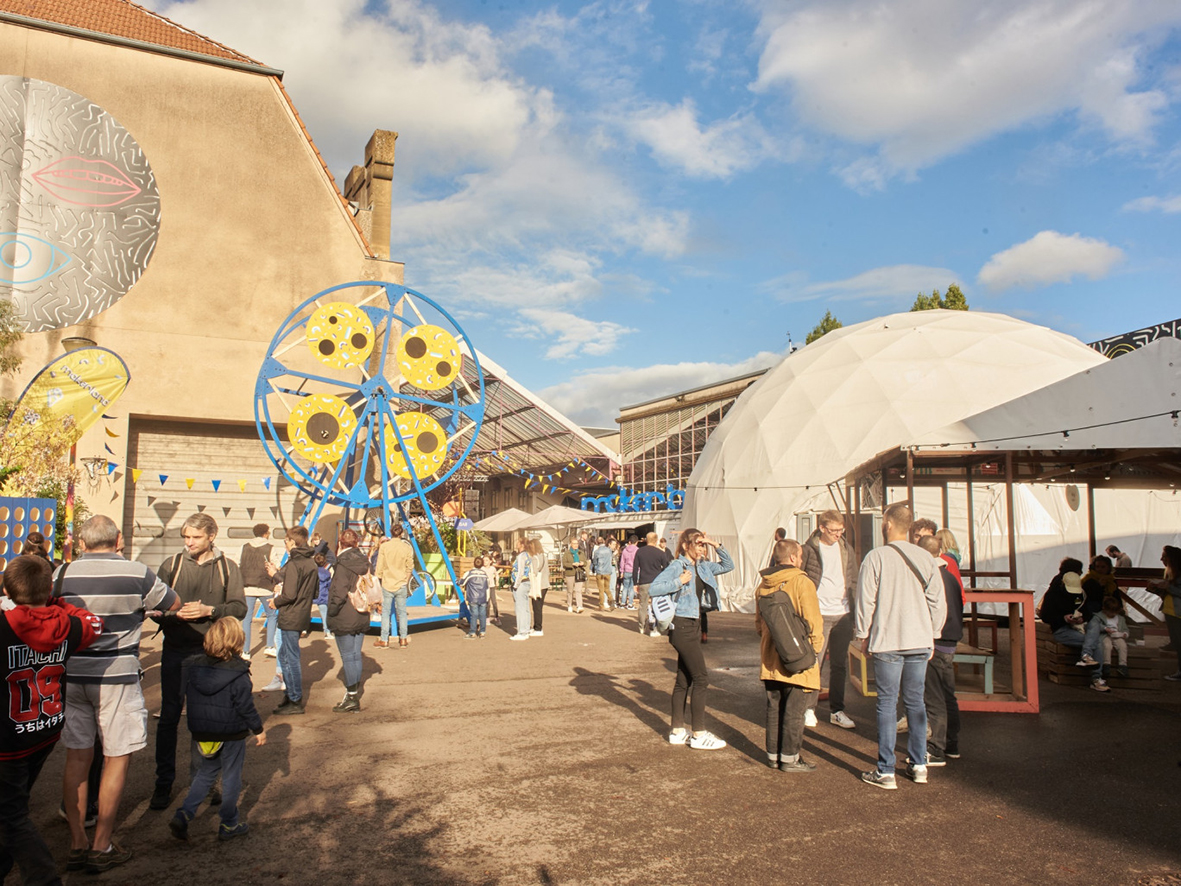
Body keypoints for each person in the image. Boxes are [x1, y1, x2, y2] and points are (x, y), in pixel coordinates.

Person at [54, 515, 180, 870]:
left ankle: (78, 841)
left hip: (73, 674)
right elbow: (173, 602)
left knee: (77, 757)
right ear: (119, 541)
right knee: (116, 755)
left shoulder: (61, 575)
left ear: (82, 543)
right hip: (117, 677)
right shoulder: (137, 573)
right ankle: (102, 845)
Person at [2, 555, 101, 882]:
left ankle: (45, 878)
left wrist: (37, 602)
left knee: (11, 816)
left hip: (9, 740)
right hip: (42, 729)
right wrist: (54, 603)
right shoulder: (67, 625)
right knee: (11, 808)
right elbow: (93, 622)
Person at [150, 513, 245, 811]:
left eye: (195, 537)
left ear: (211, 536)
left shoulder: (227, 568)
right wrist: (173, 615)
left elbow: (239, 608)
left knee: (204, 722)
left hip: (211, 655)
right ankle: (162, 784)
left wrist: (211, 610)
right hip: (176, 652)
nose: (189, 543)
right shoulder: (172, 565)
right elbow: (152, 608)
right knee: (168, 718)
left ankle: (201, 783)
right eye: (186, 537)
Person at [855, 503, 946, 790]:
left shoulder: (876, 557)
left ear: (888, 524)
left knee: (886, 703)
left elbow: (865, 600)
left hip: (888, 639)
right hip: (920, 639)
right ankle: (919, 764)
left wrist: (862, 633)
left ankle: (886, 770)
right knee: (915, 702)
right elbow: (937, 601)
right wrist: (933, 633)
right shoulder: (927, 557)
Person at [168, 618, 264, 843]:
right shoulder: (239, 674)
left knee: (205, 773)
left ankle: (184, 813)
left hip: (203, 730)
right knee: (231, 777)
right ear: (238, 640)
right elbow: (245, 706)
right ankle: (229, 822)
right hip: (231, 732)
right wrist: (258, 729)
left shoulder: (194, 667)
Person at [649, 528, 734, 751]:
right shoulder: (678, 565)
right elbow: (654, 588)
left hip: (694, 624)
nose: (701, 548)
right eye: (698, 544)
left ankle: (677, 731)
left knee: (683, 679)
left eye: (702, 544)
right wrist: (678, 581)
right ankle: (698, 733)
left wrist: (715, 543)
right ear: (686, 546)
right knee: (702, 678)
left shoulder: (704, 566)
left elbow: (728, 566)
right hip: (681, 625)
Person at [755, 540, 823, 772]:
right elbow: (813, 618)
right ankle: (790, 758)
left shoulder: (763, 584)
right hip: (797, 655)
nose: (802, 560)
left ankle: (773, 756)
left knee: (774, 707)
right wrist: (815, 647)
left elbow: (758, 622)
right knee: (794, 710)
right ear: (793, 558)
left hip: (770, 655)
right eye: (801, 556)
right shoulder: (802, 582)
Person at [799, 509, 857, 730]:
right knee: (815, 662)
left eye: (841, 530)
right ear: (822, 528)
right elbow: (801, 580)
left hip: (842, 613)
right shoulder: (808, 549)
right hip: (819, 613)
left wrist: (854, 611)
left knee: (840, 664)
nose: (838, 534)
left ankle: (837, 710)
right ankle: (808, 708)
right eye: (833, 530)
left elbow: (853, 579)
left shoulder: (846, 549)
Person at [917, 536, 963, 766]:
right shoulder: (952, 578)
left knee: (934, 697)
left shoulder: (930, 579)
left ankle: (936, 748)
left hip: (936, 640)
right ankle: (952, 744)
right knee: (948, 695)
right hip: (951, 640)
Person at [1038, 559, 1107, 690]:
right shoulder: (1054, 593)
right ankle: (1096, 677)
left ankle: (1086, 657)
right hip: (1062, 629)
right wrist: (1064, 618)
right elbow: (1046, 616)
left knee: (1095, 622)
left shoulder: (1080, 592)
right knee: (1096, 643)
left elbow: (1087, 611)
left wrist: (1082, 617)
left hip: (1078, 626)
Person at [271, 526, 318, 715]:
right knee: (284, 654)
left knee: (290, 657)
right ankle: (290, 694)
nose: (285, 545)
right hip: (301, 612)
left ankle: (295, 699)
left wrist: (276, 601)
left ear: (293, 542)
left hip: (291, 613)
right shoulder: (310, 562)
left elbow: (289, 594)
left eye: (286, 542)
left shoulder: (294, 564)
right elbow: (314, 592)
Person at [325, 529, 372, 712]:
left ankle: (352, 697)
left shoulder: (342, 564)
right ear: (356, 543)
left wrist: (331, 613)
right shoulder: (363, 561)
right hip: (360, 612)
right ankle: (353, 693)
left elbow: (338, 592)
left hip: (345, 614)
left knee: (347, 657)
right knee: (355, 655)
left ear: (340, 543)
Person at [238, 523, 283, 661]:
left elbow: (236, 563)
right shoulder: (270, 548)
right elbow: (276, 565)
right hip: (265, 586)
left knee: (247, 619)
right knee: (271, 616)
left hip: (247, 587)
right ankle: (269, 646)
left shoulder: (243, 547)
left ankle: (245, 651)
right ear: (265, 533)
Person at [373, 526, 415, 649]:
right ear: (401, 533)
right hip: (401, 582)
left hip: (387, 582)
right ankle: (403, 639)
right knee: (402, 613)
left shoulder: (384, 547)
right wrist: (405, 580)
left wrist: (379, 579)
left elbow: (379, 566)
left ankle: (384, 639)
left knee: (385, 613)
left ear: (391, 533)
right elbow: (410, 566)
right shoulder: (406, 547)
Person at [1148, 545, 1181, 681]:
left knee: (1179, 643)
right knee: (1177, 642)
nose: (1161, 558)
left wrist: (1169, 587)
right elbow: (1168, 595)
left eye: (1164, 556)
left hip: (1178, 613)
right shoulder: (1169, 572)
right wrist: (1155, 589)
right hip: (1170, 611)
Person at [633, 532, 671, 637]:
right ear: (656, 540)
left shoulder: (640, 552)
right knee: (657, 604)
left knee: (642, 605)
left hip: (644, 581)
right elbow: (667, 568)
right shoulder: (660, 553)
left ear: (646, 540)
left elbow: (635, 568)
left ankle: (641, 626)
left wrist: (635, 583)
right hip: (657, 582)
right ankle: (655, 626)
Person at [1091, 596, 1129, 679]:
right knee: (1107, 645)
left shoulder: (1120, 619)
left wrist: (1123, 634)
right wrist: (1105, 629)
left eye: (1115, 612)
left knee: (1122, 645)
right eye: (1111, 612)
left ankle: (1123, 665)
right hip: (1105, 635)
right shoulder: (1099, 616)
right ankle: (1106, 664)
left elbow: (1125, 629)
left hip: (1117, 635)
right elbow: (1094, 625)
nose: (1113, 614)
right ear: (1104, 609)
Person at [461, 557, 491, 639]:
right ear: (482, 565)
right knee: (482, 615)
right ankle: (482, 632)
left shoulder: (470, 573)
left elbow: (462, 583)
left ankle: (472, 633)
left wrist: (457, 581)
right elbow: (487, 586)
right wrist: (487, 598)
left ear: (473, 563)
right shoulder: (485, 574)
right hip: (483, 597)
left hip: (473, 597)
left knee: (473, 615)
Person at [510, 538, 532, 641]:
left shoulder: (521, 556)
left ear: (522, 544)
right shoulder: (528, 555)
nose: (516, 544)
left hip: (521, 583)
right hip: (526, 582)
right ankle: (526, 629)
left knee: (520, 608)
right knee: (525, 607)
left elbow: (520, 571)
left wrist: (515, 585)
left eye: (518, 542)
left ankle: (522, 631)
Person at [528, 538, 549, 637]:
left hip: (538, 584)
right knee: (539, 606)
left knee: (536, 607)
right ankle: (536, 626)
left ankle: (538, 628)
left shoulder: (534, 558)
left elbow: (534, 572)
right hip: (545, 584)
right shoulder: (544, 557)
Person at [313, 553, 334, 639]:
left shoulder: (312, 572)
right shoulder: (327, 573)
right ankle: (327, 632)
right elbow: (329, 585)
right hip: (323, 595)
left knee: (306, 612)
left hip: (313, 595)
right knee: (324, 614)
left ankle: (303, 629)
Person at [561, 539, 585, 613]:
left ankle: (579, 606)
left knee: (578, 590)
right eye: (574, 543)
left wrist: (582, 563)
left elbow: (585, 562)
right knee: (570, 591)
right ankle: (570, 605)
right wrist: (572, 564)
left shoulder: (581, 552)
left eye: (577, 543)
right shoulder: (567, 553)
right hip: (570, 573)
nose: (576, 545)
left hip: (579, 573)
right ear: (571, 544)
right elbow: (564, 563)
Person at [591, 537, 614, 611]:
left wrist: (594, 568)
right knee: (607, 588)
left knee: (601, 589)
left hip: (600, 572)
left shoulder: (597, 551)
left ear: (597, 543)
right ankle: (611, 599)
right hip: (608, 571)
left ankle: (601, 605)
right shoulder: (609, 550)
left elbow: (594, 562)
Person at [620, 535, 638, 610]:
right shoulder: (637, 550)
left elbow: (622, 561)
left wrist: (622, 571)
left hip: (626, 570)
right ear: (636, 542)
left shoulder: (625, 550)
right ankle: (630, 604)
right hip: (634, 571)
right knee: (631, 588)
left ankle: (623, 603)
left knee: (625, 587)